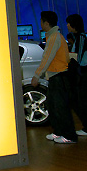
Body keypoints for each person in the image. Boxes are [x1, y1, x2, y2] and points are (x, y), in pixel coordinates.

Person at [31, 11, 76, 144]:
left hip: (58, 76)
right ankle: (58, 132)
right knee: (53, 106)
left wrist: (37, 75)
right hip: (55, 76)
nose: (40, 24)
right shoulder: (54, 36)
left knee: (61, 107)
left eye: (41, 21)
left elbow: (47, 58)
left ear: (46, 23)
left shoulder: (54, 37)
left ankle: (69, 136)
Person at [66, 14, 87, 136]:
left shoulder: (80, 38)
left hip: (84, 72)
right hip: (84, 72)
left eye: (69, 23)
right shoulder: (81, 37)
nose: (67, 25)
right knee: (83, 100)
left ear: (74, 25)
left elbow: (76, 58)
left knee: (83, 100)